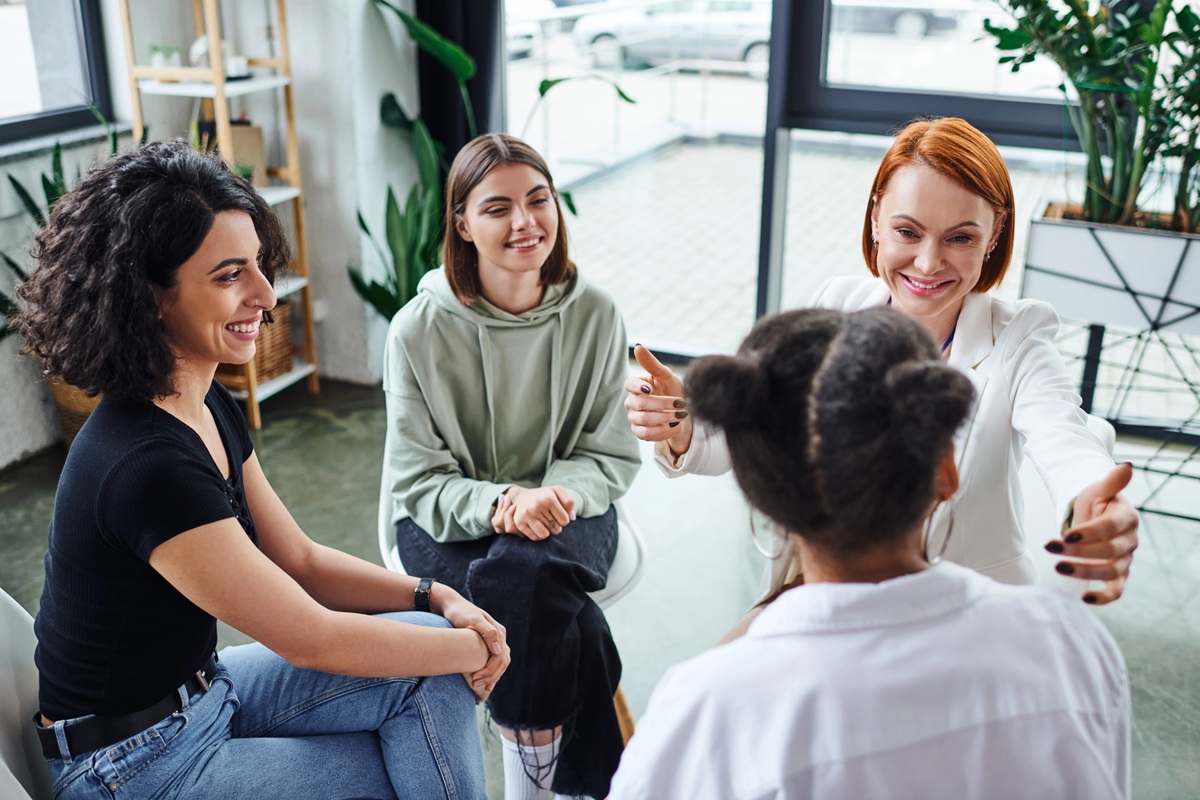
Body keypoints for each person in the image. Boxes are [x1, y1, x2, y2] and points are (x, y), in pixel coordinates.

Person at [16, 141, 508, 800]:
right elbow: (312, 638)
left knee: (430, 657)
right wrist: (484, 648)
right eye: (230, 276)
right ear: (151, 296)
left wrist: (434, 597)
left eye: (258, 265)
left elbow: (300, 561)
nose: (265, 295)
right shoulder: (146, 465)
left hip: (205, 692)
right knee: (412, 745)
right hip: (131, 766)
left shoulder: (204, 400)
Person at [608, 306, 1131, 799]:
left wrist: (1087, 490)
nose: (929, 261)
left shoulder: (704, 710)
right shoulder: (1071, 645)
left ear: (761, 492)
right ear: (946, 470)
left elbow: (1063, 435)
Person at [625, 116, 1138, 602]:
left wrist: (1094, 500)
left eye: (960, 237)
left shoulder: (1018, 337)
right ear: (875, 218)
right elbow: (755, 440)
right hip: (821, 584)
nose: (929, 263)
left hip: (958, 604)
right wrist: (682, 426)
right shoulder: (834, 305)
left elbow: (1065, 438)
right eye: (908, 232)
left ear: (996, 233)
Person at [381, 133, 641, 800]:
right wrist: (502, 503)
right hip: (447, 518)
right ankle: (592, 785)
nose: (525, 221)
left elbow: (610, 452)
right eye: (497, 208)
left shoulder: (597, 313)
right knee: (569, 618)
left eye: (538, 200)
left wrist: (551, 497)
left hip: (571, 505)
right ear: (463, 224)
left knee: (521, 574)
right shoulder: (416, 330)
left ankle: (530, 780)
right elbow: (417, 479)